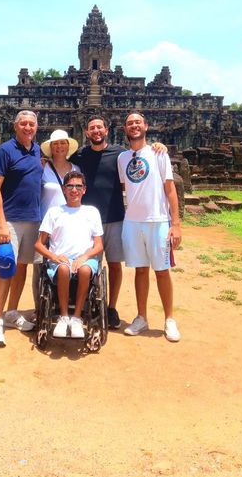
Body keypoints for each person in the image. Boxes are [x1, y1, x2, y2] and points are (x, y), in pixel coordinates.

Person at [71, 115, 166, 330]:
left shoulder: (120, 155)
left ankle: (111, 307)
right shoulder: (80, 155)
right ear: (86, 133)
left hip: (115, 217)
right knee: (89, 265)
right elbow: (59, 157)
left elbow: (138, 164)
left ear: (107, 130)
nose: (96, 131)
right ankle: (88, 304)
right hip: (88, 220)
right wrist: (43, 159)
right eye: (92, 128)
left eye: (99, 127)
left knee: (114, 265)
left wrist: (158, 146)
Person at [117, 112, 182, 342]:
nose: (134, 126)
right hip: (132, 221)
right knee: (140, 270)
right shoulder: (122, 158)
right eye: (129, 123)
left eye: (138, 122)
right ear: (125, 129)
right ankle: (141, 317)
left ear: (146, 126)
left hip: (158, 221)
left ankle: (169, 319)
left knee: (162, 271)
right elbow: (126, 187)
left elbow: (170, 189)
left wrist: (175, 223)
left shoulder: (158, 153)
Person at [0, 110, 41, 348]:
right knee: (5, 267)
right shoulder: (5, 151)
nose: (28, 127)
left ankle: (12, 312)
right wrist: (1, 222)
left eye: (31, 124)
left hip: (33, 219)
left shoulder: (40, 151)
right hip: (9, 220)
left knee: (22, 267)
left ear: (36, 127)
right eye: (24, 124)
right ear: (15, 126)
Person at [34, 171, 104, 339]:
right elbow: (38, 244)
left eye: (78, 186)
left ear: (84, 190)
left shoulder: (92, 212)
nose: (74, 190)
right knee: (64, 269)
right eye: (70, 186)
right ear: (64, 189)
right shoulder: (54, 212)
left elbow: (99, 245)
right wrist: (53, 256)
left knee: (85, 270)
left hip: (85, 258)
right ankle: (64, 316)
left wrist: (84, 257)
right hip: (60, 260)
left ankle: (77, 318)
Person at [32, 129, 81, 303]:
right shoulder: (42, 167)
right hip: (47, 223)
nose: (59, 147)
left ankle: (69, 301)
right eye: (56, 144)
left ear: (68, 147)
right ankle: (40, 306)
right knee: (40, 266)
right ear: (50, 148)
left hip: (70, 223)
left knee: (68, 262)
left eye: (63, 143)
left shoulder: (76, 169)